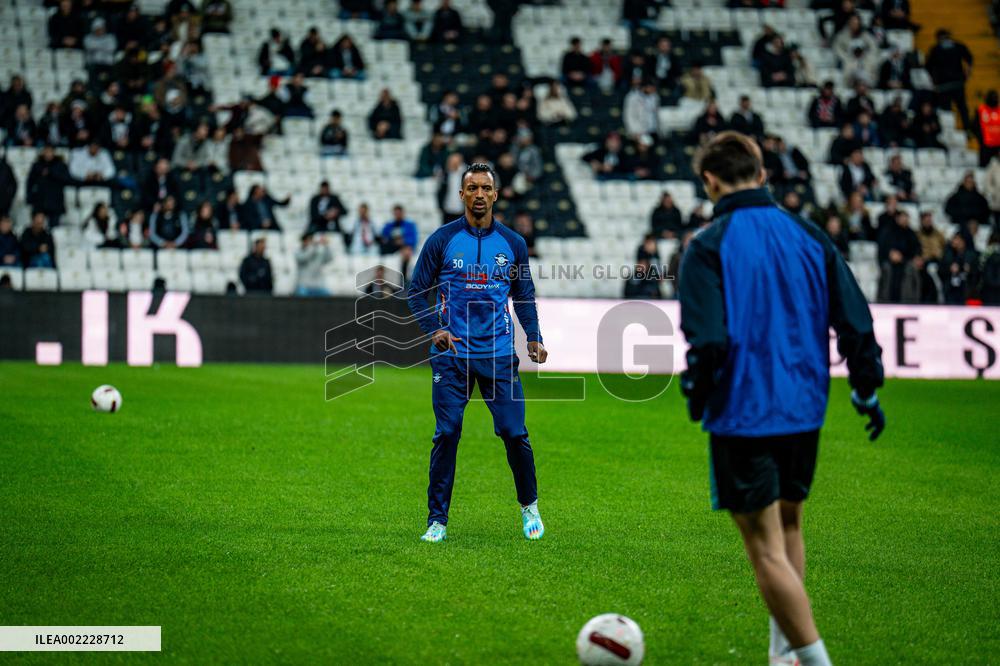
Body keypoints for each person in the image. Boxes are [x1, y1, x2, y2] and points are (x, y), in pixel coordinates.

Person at [678, 131, 885, 666]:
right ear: (763, 173)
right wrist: (866, 388)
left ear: (710, 181)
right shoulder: (811, 235)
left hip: (745, 412)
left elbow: (710, 341)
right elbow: (855, 322)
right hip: (804, 408)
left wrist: (697, 395)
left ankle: (815, 661)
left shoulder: (706, 247)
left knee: (764, 545)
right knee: (790, 524)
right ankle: (784, 655)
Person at [406, 162, 547, 543]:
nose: (480, 194)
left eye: (486, 188)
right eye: (473, 188)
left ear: (496, 194)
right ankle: (437, 521)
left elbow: (524, 295)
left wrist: (533, 335)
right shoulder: (442, 239)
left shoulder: (514, 243)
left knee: (514, 432)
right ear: (462, 195)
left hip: (499, 356)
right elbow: (417, 290)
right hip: (452, 357)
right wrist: (433, 329)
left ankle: (529, 506)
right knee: (447, 434)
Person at [925, 30, 973, 132]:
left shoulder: (935, 49)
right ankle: (966, 129)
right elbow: (969, 58)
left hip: (944, 85)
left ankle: (951, 130)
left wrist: (934, 81)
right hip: (955, 83)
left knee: (948, 110)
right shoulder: (957, 46)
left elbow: (928, 66)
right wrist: (967, 72)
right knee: (961, 108)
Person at [26, 145, 71, 227]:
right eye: (46, 151)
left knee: (54, 229)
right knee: (38, 227)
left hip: (55, 202)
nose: (48, 154)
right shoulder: (37, 165)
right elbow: (30, 182)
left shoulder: (60, 165)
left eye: (50, 151)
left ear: (54, 152)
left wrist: (51, 173)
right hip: (40, 202)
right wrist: (29, 196)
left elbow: (67, 179)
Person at [294, 232, 332, 296]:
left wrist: (326, 246)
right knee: (301, 294)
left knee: (328, 294)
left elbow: (329, 258)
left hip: (317, 286)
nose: (310, 242)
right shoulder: (298, 252)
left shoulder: (318, 254)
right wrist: (314, 246)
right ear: (303, 241)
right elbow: (305, 257)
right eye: (308, 240)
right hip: (304, 286)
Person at [975, 90, 1000, 167]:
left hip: (998, 146)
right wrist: (980, 138)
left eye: (996, 97)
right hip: (985, 145)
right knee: (984, 169)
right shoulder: (981, 110)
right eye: (992, 97)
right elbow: (974, 126)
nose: (994, 99)